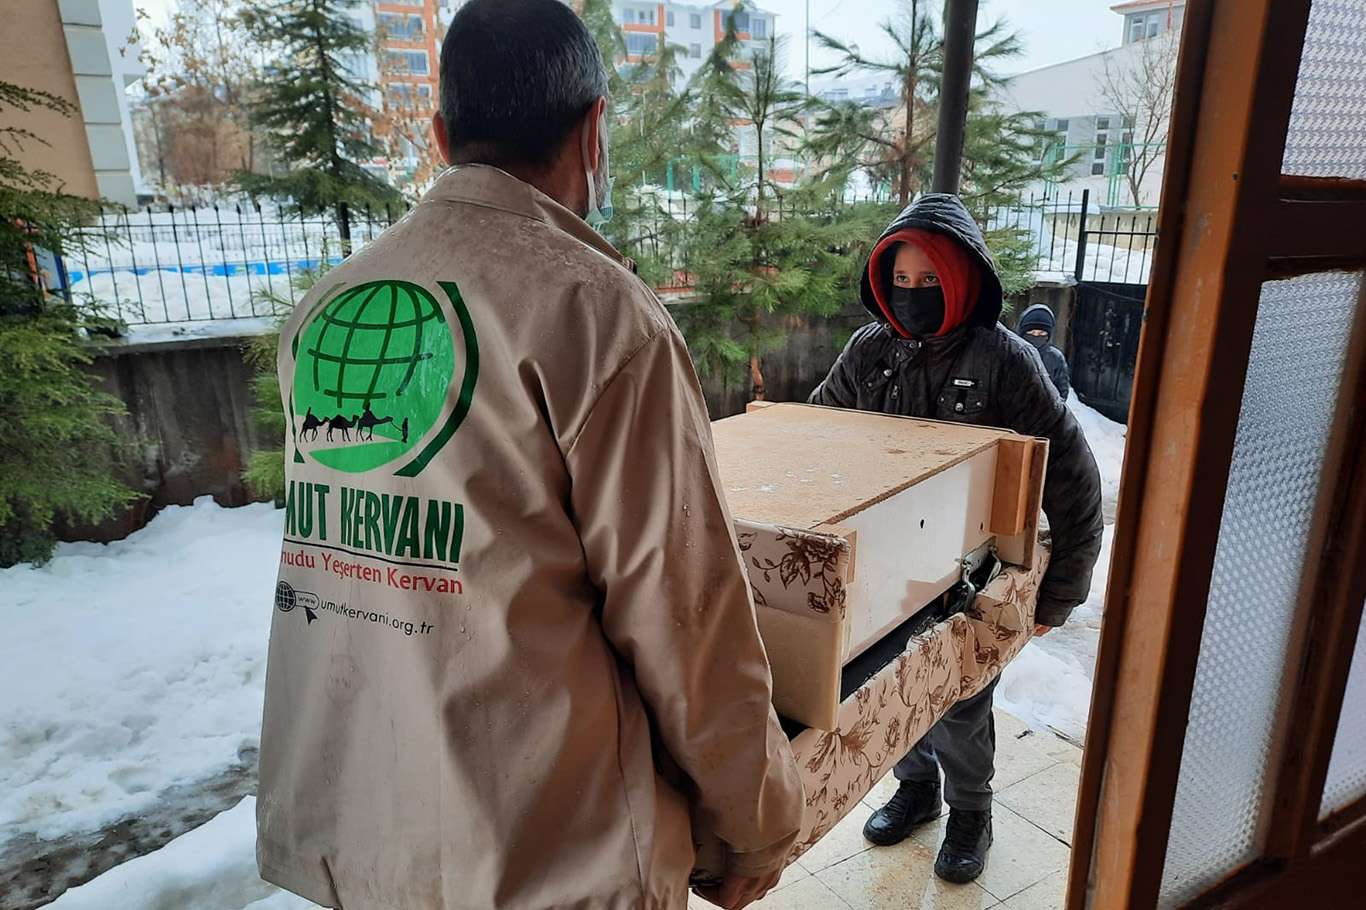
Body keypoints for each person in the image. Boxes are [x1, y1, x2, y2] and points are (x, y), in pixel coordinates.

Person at [256, 2, 803, 908]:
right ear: (594, 130)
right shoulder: (596, 312)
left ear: (441, 137)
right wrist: (755, 822)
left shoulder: (327, 309)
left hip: (367, 838)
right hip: (550, 855)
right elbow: (683, 611)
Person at [808, 194, 1103, 884]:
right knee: (891, 686)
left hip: (971, 570)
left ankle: (972, 810)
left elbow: (1072, 475)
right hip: (887, 567)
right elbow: (816, 431)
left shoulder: (1006, 360)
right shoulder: (869, 349)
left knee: (961, 701)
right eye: (900, 280)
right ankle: (916, 790)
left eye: (929, 280)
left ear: (964, 279)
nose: (912, 295)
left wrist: (1063, 588)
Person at [1015, 303, 1071, 401]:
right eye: (1031, 332)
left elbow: (1062, 392)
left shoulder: (1055, 357)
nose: (1036, 336)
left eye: (1041, 333)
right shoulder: (1012, 353)